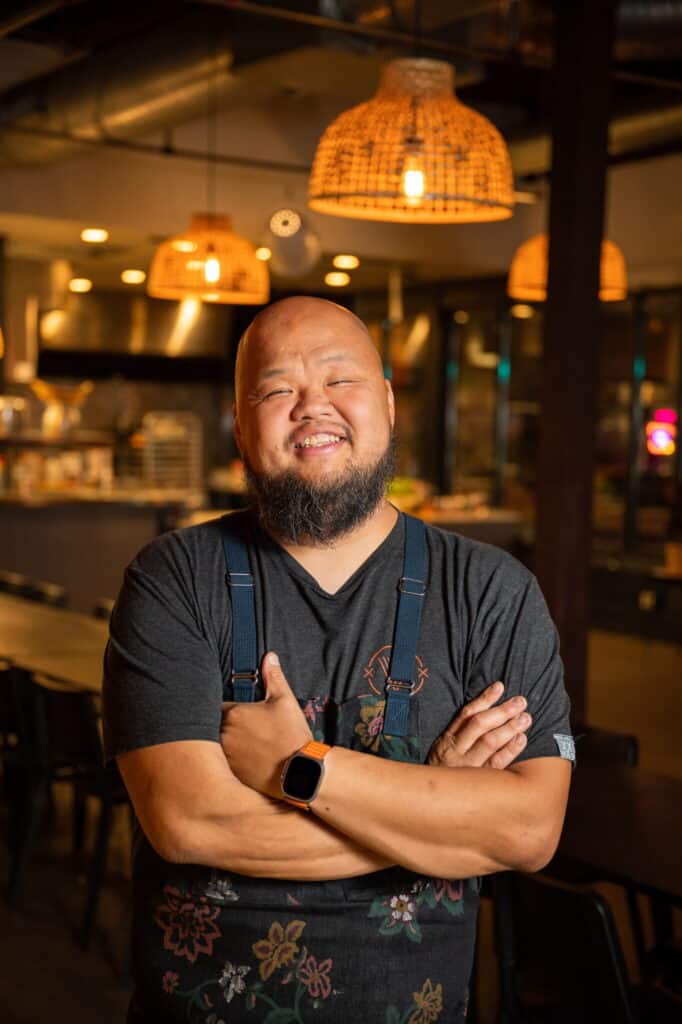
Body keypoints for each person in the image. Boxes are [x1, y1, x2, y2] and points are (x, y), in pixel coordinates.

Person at [103, 296, 574, 1024]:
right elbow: (190, 823)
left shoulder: (490, 590)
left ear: (387, 402)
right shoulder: (175, 578)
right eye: (276, 388)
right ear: (240, 424)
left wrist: (298, 766)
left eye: (339, 378)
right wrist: (436, 804)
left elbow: (529, 831)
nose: (310, 407)